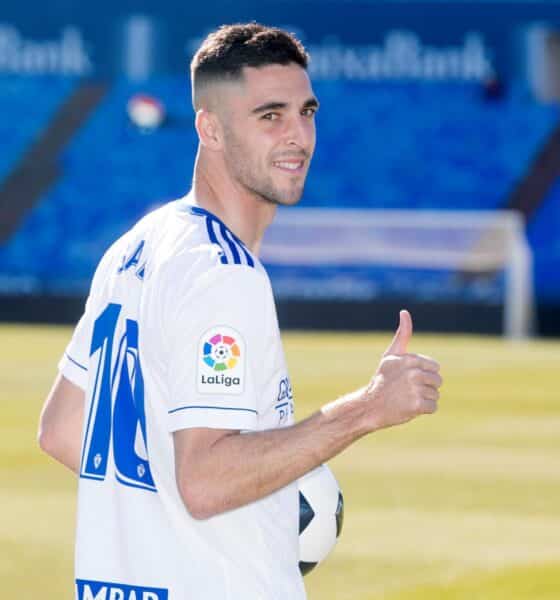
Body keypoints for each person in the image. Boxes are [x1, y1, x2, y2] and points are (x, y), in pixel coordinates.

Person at [38, 23, 442, 600]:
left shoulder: (137, 244)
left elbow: (61, 430)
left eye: (307, 112)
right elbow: (204, 482)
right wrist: (368, 409)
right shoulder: (223, 273)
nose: (298, 136)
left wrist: (172, 517)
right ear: (210, 128)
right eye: (270, 116)